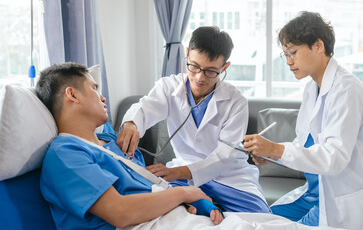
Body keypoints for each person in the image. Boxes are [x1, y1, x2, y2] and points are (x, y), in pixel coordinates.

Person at [243, 11, 363, 229]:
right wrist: (272, 156)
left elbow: (334, 157)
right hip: (317, 195)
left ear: (318, 45)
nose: (288, 61)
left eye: (293, 52)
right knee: (260, 219)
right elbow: (305, 143)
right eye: (285, 55)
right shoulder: (312, 88)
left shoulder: (346, 90)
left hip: (345, 202)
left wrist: (276, 149)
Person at [36, 63, 223, 230]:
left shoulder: (111, 142)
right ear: (72, 94)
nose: (102, 98)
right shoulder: (65, 154)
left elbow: (149, 192)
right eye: (94, 88)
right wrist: (183, 193)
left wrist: (186, 204)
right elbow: (120, 212)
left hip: (171, 218)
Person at [118, 26, 270, 213]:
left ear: (224, 68)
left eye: (210, 71)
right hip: (182, 172)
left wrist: (176, 173)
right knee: (159, 208)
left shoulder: (236, 102)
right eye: (194, 66)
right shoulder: (168, 87)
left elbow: (224, 156)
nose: (199, 77)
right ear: (187, 54)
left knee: (260, 217)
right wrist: (131, 124)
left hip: (229, 177)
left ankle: (206, 207)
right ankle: (205, 207)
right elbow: (144, 108)